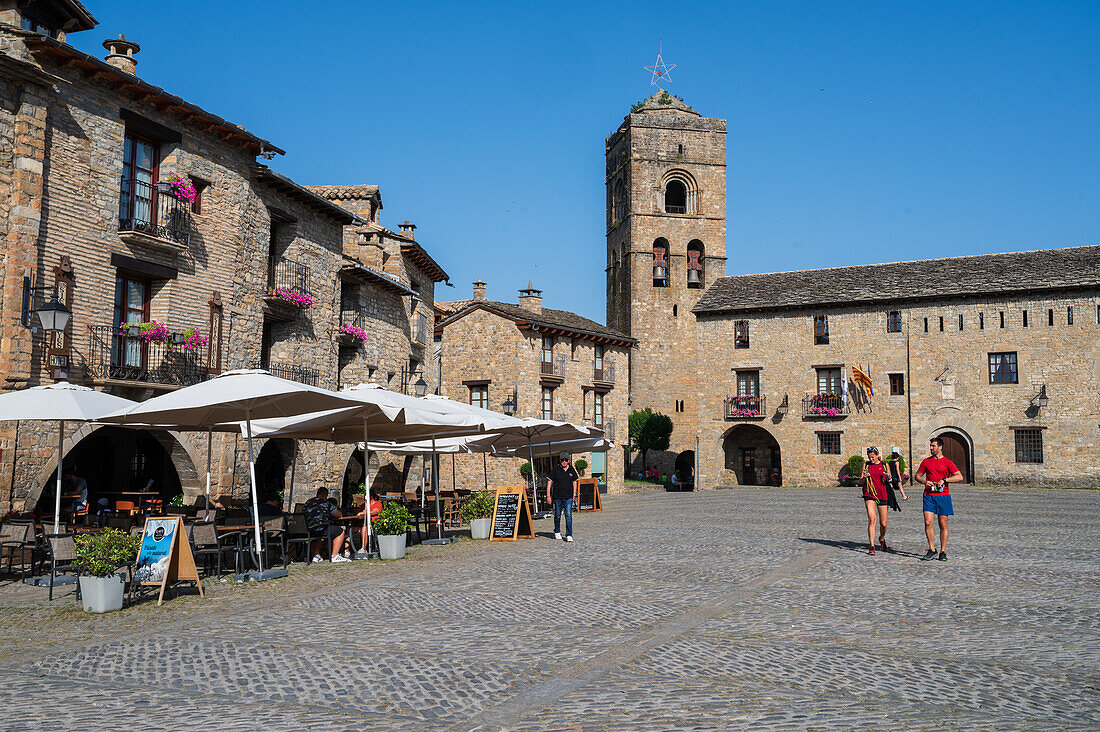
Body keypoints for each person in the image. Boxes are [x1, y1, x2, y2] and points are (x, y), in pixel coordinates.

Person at [915, 437, 964, 561]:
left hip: (943, 496)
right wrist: (925, 481)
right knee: (928, 522)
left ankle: (943, 551)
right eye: (930, 446)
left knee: (943, 524)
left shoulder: (947, 462)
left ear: (940, 447)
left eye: (933, 446)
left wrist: (945, 480)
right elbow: (917, 476)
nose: (931, 448)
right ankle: (932, 549)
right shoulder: (926, 461)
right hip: (929, 496)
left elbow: (959, 477)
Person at [859, 447, 891, 555]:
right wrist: (864, 477)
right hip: (869, 493)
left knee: (884, 523)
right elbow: (861, 481)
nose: (871, 459)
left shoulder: (884, 465)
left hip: (882, 494)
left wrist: (888, 478)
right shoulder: (866, 465)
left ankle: (881, 538)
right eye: (869, 457)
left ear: (877, 455)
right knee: (872, 519)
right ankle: (871, 546)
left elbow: (889, 479)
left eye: (873, 457)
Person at [303, 487, 349, 563]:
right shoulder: (326, 503)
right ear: (326, 496)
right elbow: (338, 514)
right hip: (321, 529)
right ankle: (335, 556)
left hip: (308, 530)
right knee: (340, 531)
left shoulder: (308, 503)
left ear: (317, 494)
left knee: (317, 534)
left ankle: (316, 555)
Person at [547, 452, 579, 542]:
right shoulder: (555, 469)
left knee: (568, 515)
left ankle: (569, 534)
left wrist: (574, 494)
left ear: (568, 461)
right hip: (557, 497)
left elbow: (575, 482)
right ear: (560, 460)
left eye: (566, 460)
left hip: (568, 497)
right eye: (562, 460)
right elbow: (549, 482)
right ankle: (557, 531)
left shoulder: (571, 469)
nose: (564, 462)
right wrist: (548, 495)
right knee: (557, 515)